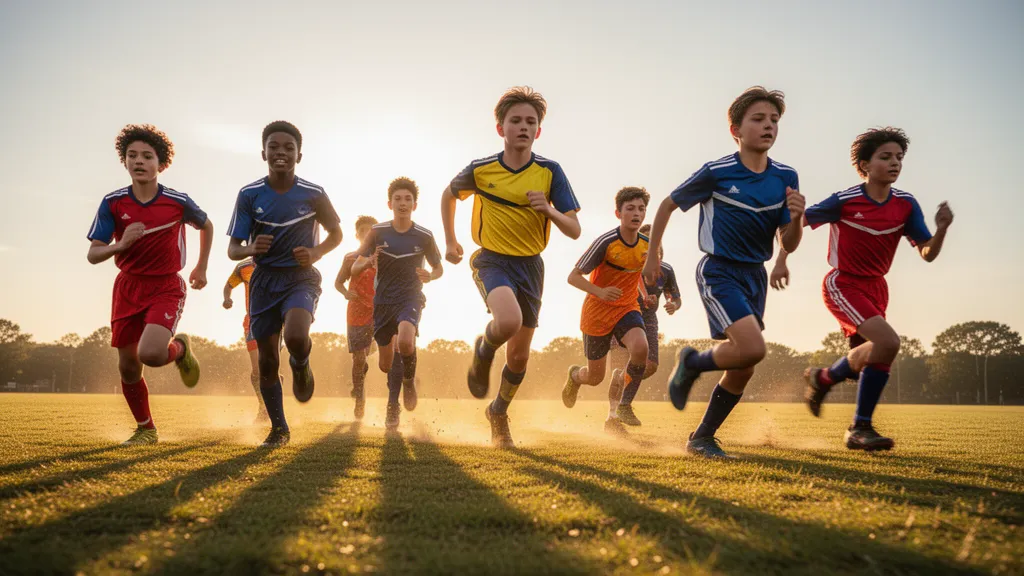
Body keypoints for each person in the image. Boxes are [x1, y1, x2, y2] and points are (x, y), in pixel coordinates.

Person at [643, 87, 805, 458]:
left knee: (744, 364)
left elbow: (790, 241)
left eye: (774, 121)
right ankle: (692, 362)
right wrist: (653, 257)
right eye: (759, 119)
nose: (768, 126)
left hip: (755, 276)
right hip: (718, 271)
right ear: (736, 129)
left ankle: (701, 438)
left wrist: (795, 219)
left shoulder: (786, 176)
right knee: (752, 348)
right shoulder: (717, 172)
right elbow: (667, 205)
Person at [771, 127, 953, 451]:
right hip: (842, 283)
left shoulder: (906, 206)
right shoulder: (844, 201)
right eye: (886, 157)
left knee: (870, 358)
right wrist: (781, 260)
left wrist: (940, 231)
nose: (894, 163)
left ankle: (822, 378)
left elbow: (927, 253)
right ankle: (860, 428)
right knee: (889, 342)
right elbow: (792, 226)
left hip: (877, 288)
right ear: (865, 165)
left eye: (899, 157)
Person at [440, 86, 581, 449]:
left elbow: (574, 230)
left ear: (539, 131)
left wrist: (548, 209)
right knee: (507, 321)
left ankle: (498, 411)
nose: (523, 126)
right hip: (492, 260)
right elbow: (448, 195)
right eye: (515, 120)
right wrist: (451, 240)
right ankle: (484, 349)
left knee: (519, 356)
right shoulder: (481, 169)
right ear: (500, 127)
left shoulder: (550, 172)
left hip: (532, 266)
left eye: (530, 122)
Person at [86, 124, 212, 445]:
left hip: (166, 286)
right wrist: (120, 245)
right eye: (132, 156)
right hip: (127, 288)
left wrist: (201, 266)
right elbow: (93, 254)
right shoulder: (113, 203)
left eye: (146, 156)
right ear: (124, 161)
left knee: (152, 354)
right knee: (129, 367)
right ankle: (146, 430)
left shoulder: (177, 201)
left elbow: (206, 224)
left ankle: (179, 349)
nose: (138, 161)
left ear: (161, 163)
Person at [227, 121, 343, 447]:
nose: (281, 153)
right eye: (274, 147)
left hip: (300, 278)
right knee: (266, 361)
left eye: (288, 148)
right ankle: (279, 429)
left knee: (295, 336)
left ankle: (302, 362)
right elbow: (233, 248)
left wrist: (317, 252)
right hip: (263, 281)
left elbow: (337, 234)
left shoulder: (314, 193)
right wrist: (251, 249)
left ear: (299, 155)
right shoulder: (249, 195)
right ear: (263, 152)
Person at [352, 178, 442, 431]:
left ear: (415, 204)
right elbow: (356, 265)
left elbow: (438, 268)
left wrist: (431, 276)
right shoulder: (378, 232)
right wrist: (367, 262)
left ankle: (401, 393)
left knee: (405, 340)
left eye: (408, 199)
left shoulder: (424, 236)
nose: (403, 203)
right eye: (398, 199)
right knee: (385, 364)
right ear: (389, 203)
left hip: (410, 297)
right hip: (382, 302)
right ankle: (398, 384)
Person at [562, 187, 651, 437]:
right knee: (594, 377)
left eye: (641, 208)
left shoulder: (646, 245)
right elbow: (573, 277)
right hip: (597, 313)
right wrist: (599, 291)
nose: (636, 213)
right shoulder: (606, 242)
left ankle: (622, 407)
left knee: (641, 349)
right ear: (618, 213)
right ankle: (574, 376)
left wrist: (646, 294)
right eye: (630, 208)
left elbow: (638, 271)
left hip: (626, 308)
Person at [334, 215, 379, 420]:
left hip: (378, 311)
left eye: (370, 231)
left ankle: (361, 373)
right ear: (357, 235)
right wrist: (345, 293)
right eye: (363, 231)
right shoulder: (350, 257)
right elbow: (338, 282)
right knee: (358, 358)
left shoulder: (383, 256)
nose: (366, 234)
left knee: (370, 354)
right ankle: (359, 398)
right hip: (356, 312)